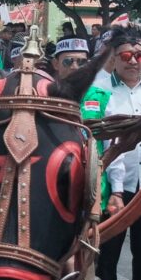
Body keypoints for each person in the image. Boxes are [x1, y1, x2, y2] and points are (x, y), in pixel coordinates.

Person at [94, 26, 141, 280]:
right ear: (113, 57)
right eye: (126, 56)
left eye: (140, 55)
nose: (134, 60)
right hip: (112, 189)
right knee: (106, 257)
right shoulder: (99, 92)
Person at [51, 35, 112, 213]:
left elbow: (110, 146)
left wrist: (117, 191)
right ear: (55, 63)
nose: (75, 67)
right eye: (68, 61)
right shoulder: (40, 95)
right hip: (50, 189)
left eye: (81, 61)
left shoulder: (102, 97)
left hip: (92, 190)